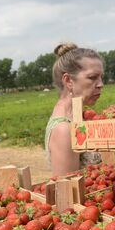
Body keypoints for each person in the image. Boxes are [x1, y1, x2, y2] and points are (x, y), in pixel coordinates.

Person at [45, 43, 104, 176]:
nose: (101, 84)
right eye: (92, 77)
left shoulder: (78, 117)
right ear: (68, 81)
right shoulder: (64, 129)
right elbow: (67, 190)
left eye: (101, 77)